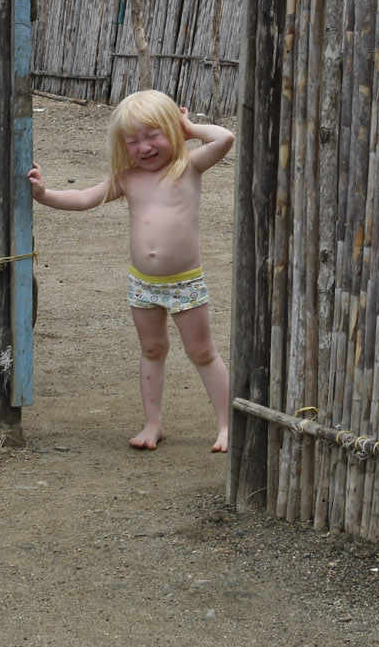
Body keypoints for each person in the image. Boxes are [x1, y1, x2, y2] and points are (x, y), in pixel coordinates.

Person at [27, 89, 235, 452]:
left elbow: (225, 138)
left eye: (154, 135)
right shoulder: (128, 177)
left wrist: (189, 126)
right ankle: (152, 424)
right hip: (143, 285)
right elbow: (85, 198)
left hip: (184, 283)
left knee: (202, 352)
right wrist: (45, 194)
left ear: (174, 130)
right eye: (134, 140)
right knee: (152, 349)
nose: (146, 147)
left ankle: (226, 425)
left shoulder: (188, 166)